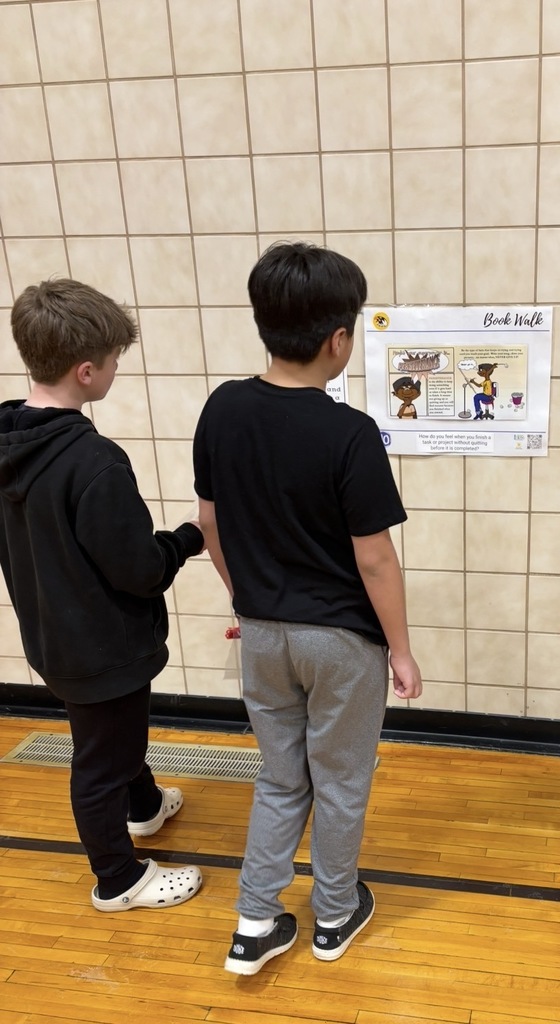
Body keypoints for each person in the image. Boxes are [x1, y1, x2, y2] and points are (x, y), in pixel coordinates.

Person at [193, 241, 423, 975]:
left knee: (280, 775)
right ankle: (331, 913)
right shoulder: (347, 432)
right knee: (341, 778)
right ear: (338, 340)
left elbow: (209, 523)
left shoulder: (222, 407)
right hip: (340, 644)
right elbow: (374, 558)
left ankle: (255, 921)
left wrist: (247, 597)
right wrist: (402, 649)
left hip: (262, 636)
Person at [0, 279, 205, 912]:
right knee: (98, 760)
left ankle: (142, 806)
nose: (117, 370)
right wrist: (190, 538)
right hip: (104, 646)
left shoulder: (10, 442)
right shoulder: (93, 462)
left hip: (51, 635)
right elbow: (139, 569)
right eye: (114, 360)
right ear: (87, 371)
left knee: (113, 736)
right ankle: (118, 878)